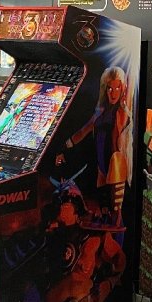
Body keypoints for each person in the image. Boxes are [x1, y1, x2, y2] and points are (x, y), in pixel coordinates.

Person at [56, 66, 131, 224]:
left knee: (116, 213)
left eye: (117, 88)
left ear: (123, 88)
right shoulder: (100, 111)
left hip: (116, 165)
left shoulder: (122, 112)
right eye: (110, 88)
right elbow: (83, 131)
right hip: (101, 167)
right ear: (105, 89)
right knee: (104, 209)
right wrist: (63, 148)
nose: (113, 93)